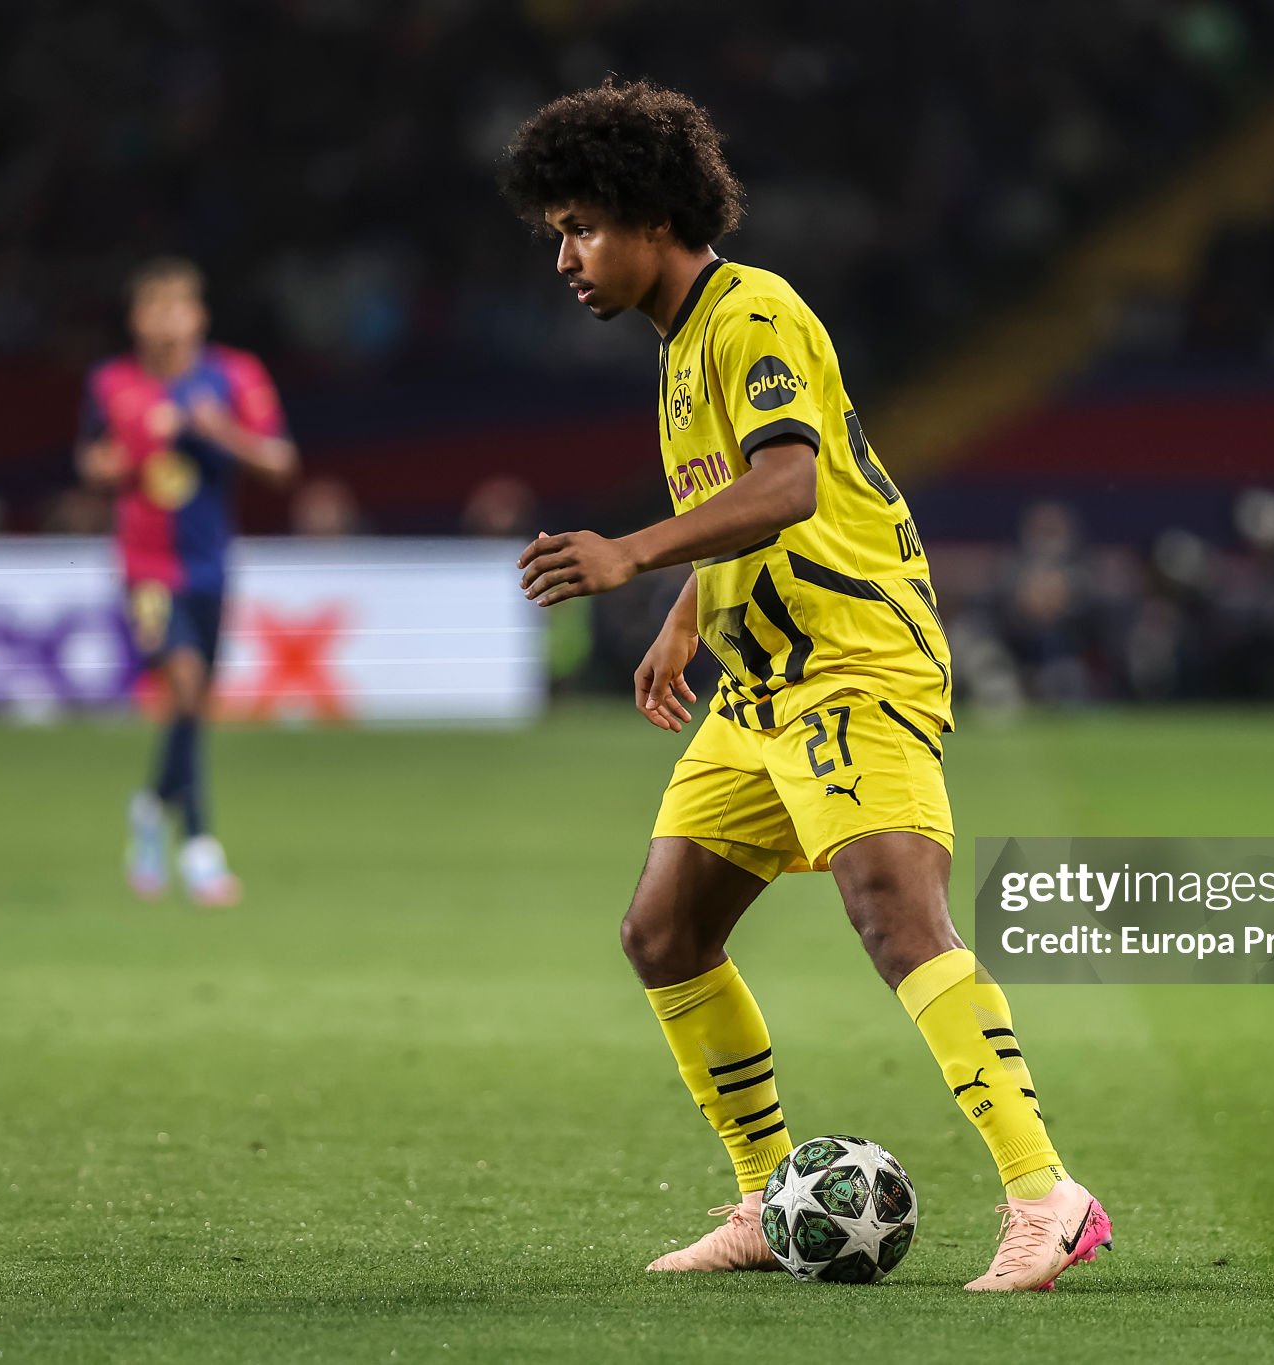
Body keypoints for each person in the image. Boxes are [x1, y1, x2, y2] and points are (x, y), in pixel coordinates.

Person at [500, 81, 1108, 1292]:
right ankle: (766, 1199)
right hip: (761, 684)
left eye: (580, 228)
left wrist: (629, 555)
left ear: (651, 216)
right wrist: (686, 616)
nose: (564, 258)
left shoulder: (752, 314)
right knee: (664, 933)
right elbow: (732, 502)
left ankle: (1046, 1196)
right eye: (558, 233)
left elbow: (787, 486)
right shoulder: (682, 346)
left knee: (895, 915)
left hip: (851, 661)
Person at [75, 257, 298, 906]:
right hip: (146, 567)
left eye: (179, 307)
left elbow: (281, 462)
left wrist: (217, 429)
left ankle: (150, 807)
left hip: (210, 564)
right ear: (137, 320)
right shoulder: (113, 382)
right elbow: (91, 459)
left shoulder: (234, 376)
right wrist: (111, 464)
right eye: (156, 308)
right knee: (185, 682)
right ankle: (200, 847)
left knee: (193, 705)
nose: (168, 322)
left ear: (199, 317)